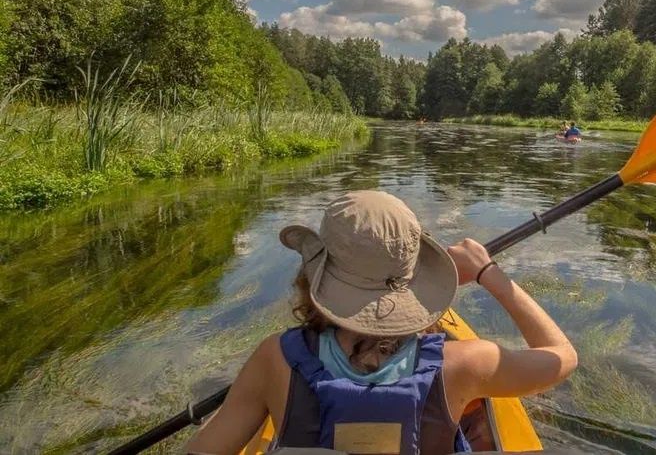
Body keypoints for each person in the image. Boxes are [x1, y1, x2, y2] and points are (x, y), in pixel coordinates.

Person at [185, 190, 577, 454]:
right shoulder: (467, 364)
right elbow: (562, 357)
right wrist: (488, 273)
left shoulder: (276, 359)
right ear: (415, 281)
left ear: (315, 277)